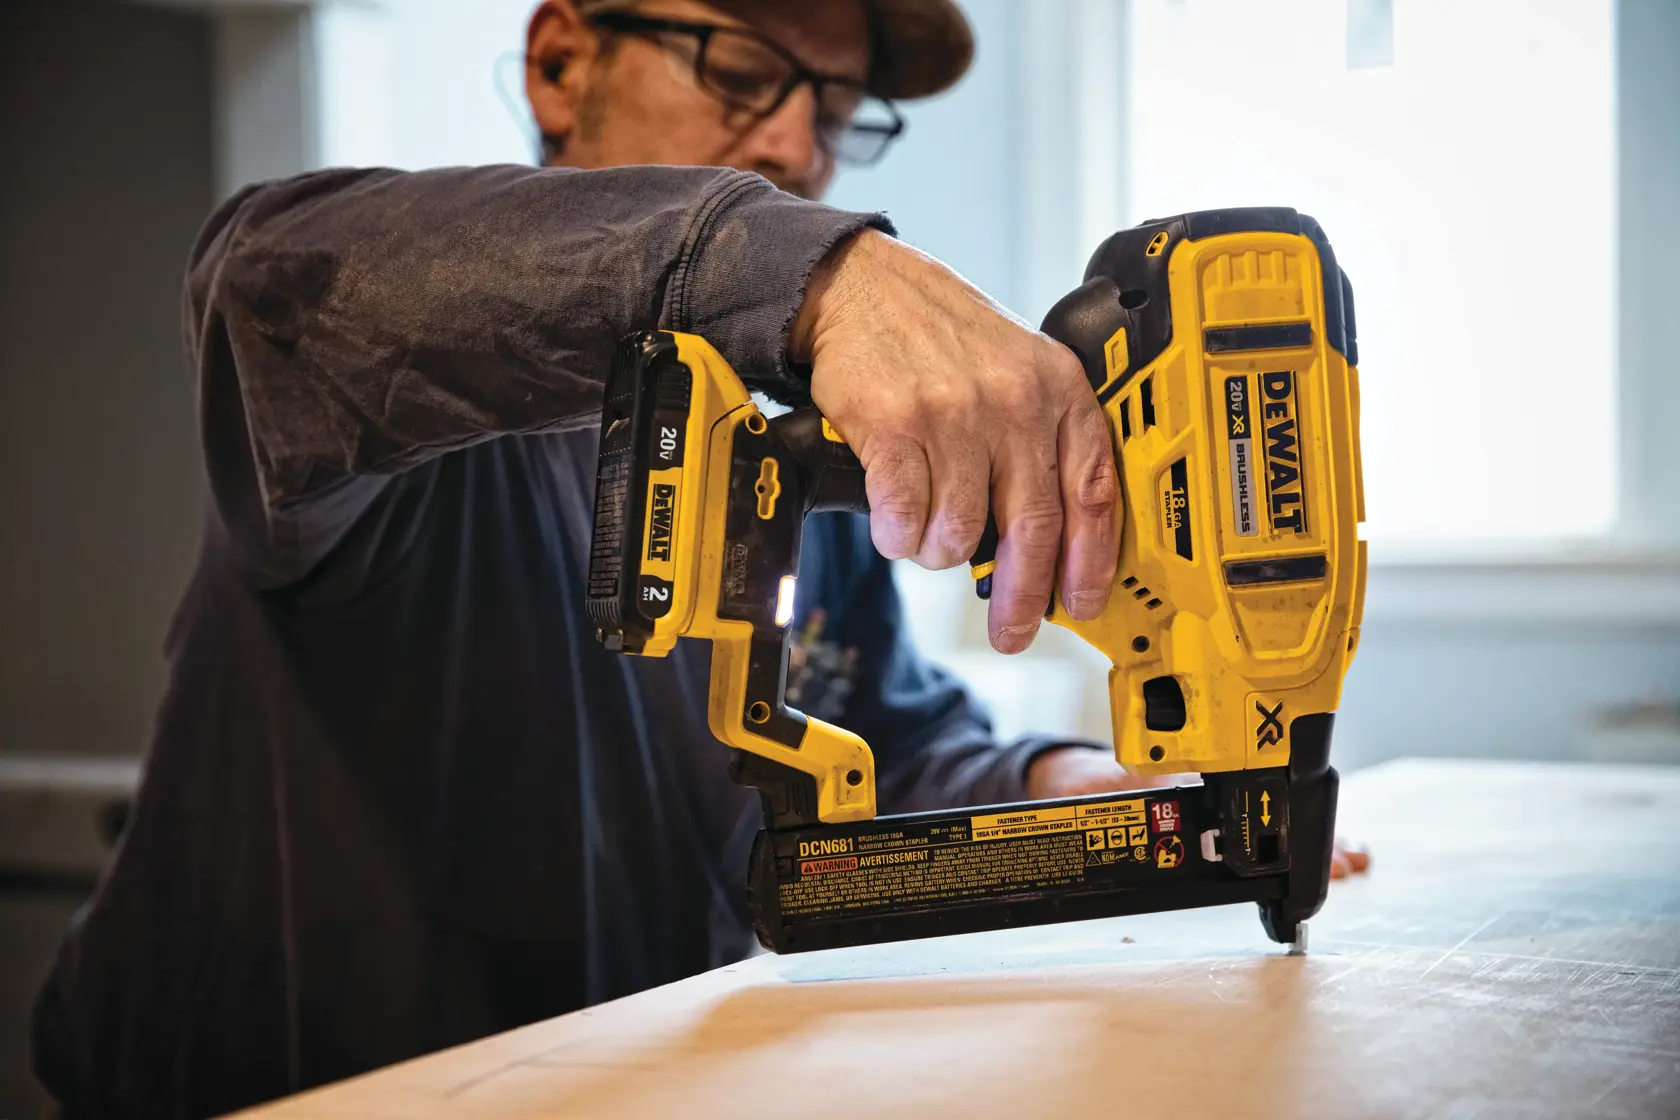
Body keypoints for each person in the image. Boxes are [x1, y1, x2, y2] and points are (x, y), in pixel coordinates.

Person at [31, 1, 1367, 1115]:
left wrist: (1084, 777)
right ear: (561, 60)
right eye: (741, 67)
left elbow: (877, 733)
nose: (797, 141)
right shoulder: (396, 396)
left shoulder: (779, 446)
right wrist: (814, 273)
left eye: (838, 113)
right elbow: (273, 287)